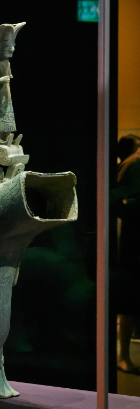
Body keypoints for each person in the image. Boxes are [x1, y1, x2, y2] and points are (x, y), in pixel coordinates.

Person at [112, 134, 140, 374]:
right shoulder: (131, 166)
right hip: (131, 244)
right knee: (128, 300)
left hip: (129, 242)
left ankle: (123, 356)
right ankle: (123, 357)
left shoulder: (127, 167)